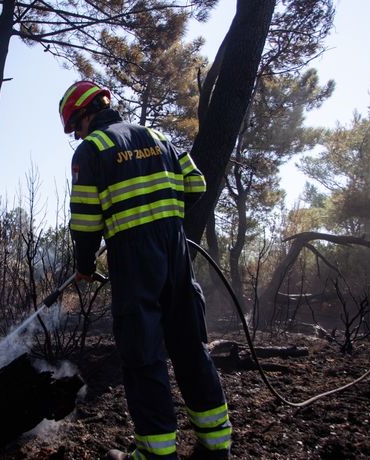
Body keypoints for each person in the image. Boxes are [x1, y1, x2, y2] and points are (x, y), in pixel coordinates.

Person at [60, 80, 231, 460]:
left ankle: (156, 453)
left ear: (86, 114)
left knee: (144, 354)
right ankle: (216, 444)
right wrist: (163, 218)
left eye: (75, 128)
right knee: (190, 346)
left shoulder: (92, 149)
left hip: (134, 259)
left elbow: (85, 222)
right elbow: (196, 184)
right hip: (175, 251)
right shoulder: (158, 137)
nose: (77, 137)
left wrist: (85, 265)